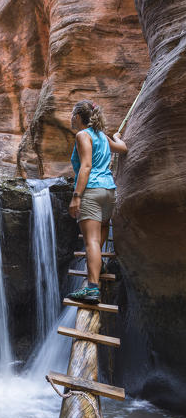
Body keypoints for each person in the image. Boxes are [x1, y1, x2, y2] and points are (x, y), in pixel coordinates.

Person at [66, 99, 127, 304]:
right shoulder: (103, 136)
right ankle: (95, 272)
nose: (71, 118)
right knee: (99, 238)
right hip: (109, 192)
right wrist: (116, 137)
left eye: (72, 114)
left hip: (91, 191)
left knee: (90, 241)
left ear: (77, 117)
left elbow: (86, 166)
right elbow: (123, 148)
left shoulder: (83, 135)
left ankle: (91, 288)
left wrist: (76, 197)